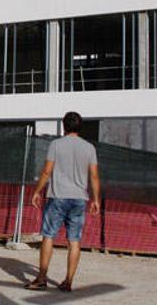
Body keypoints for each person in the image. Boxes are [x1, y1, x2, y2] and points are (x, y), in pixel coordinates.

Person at [24, 111, 100, 292]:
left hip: (57, 197)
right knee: (74, 240)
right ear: (80, 127)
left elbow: (47, 172)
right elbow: (94, 176)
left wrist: (36, 191)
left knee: (48, 236)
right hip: (79, 199)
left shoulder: (56, 145)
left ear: (64, 126)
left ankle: (41, 278)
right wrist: (96, 199)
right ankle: (68, 281)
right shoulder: (89, 148)